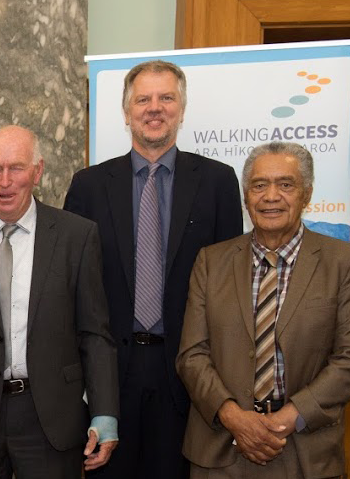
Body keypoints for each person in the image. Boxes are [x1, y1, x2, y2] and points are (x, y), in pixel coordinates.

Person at [63, 59, 242, 478]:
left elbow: (229, 286)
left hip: (187, 372)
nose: (154, 108)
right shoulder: (88, 186)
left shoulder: (218, 182)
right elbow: (70, 286)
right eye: (143, 99)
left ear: (181, 108)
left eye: (166, 98)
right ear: (127, 113)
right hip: (109, 376)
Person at [0, 125, 119, 478]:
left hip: (51, 419)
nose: (4, 181)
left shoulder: (77, 236)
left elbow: (95, 334)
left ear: (37, 171)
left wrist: (104, 414)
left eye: (16, 168)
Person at [177, 142, 350, 478]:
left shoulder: (344, 263)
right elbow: (192, 354)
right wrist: (234, 418)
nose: (271, 196)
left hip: (303, 449)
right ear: (246, 197)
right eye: (259, 185)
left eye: (285, 184)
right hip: (222, 448)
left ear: (306, 194)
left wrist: (287, 418)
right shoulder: (211, 262)